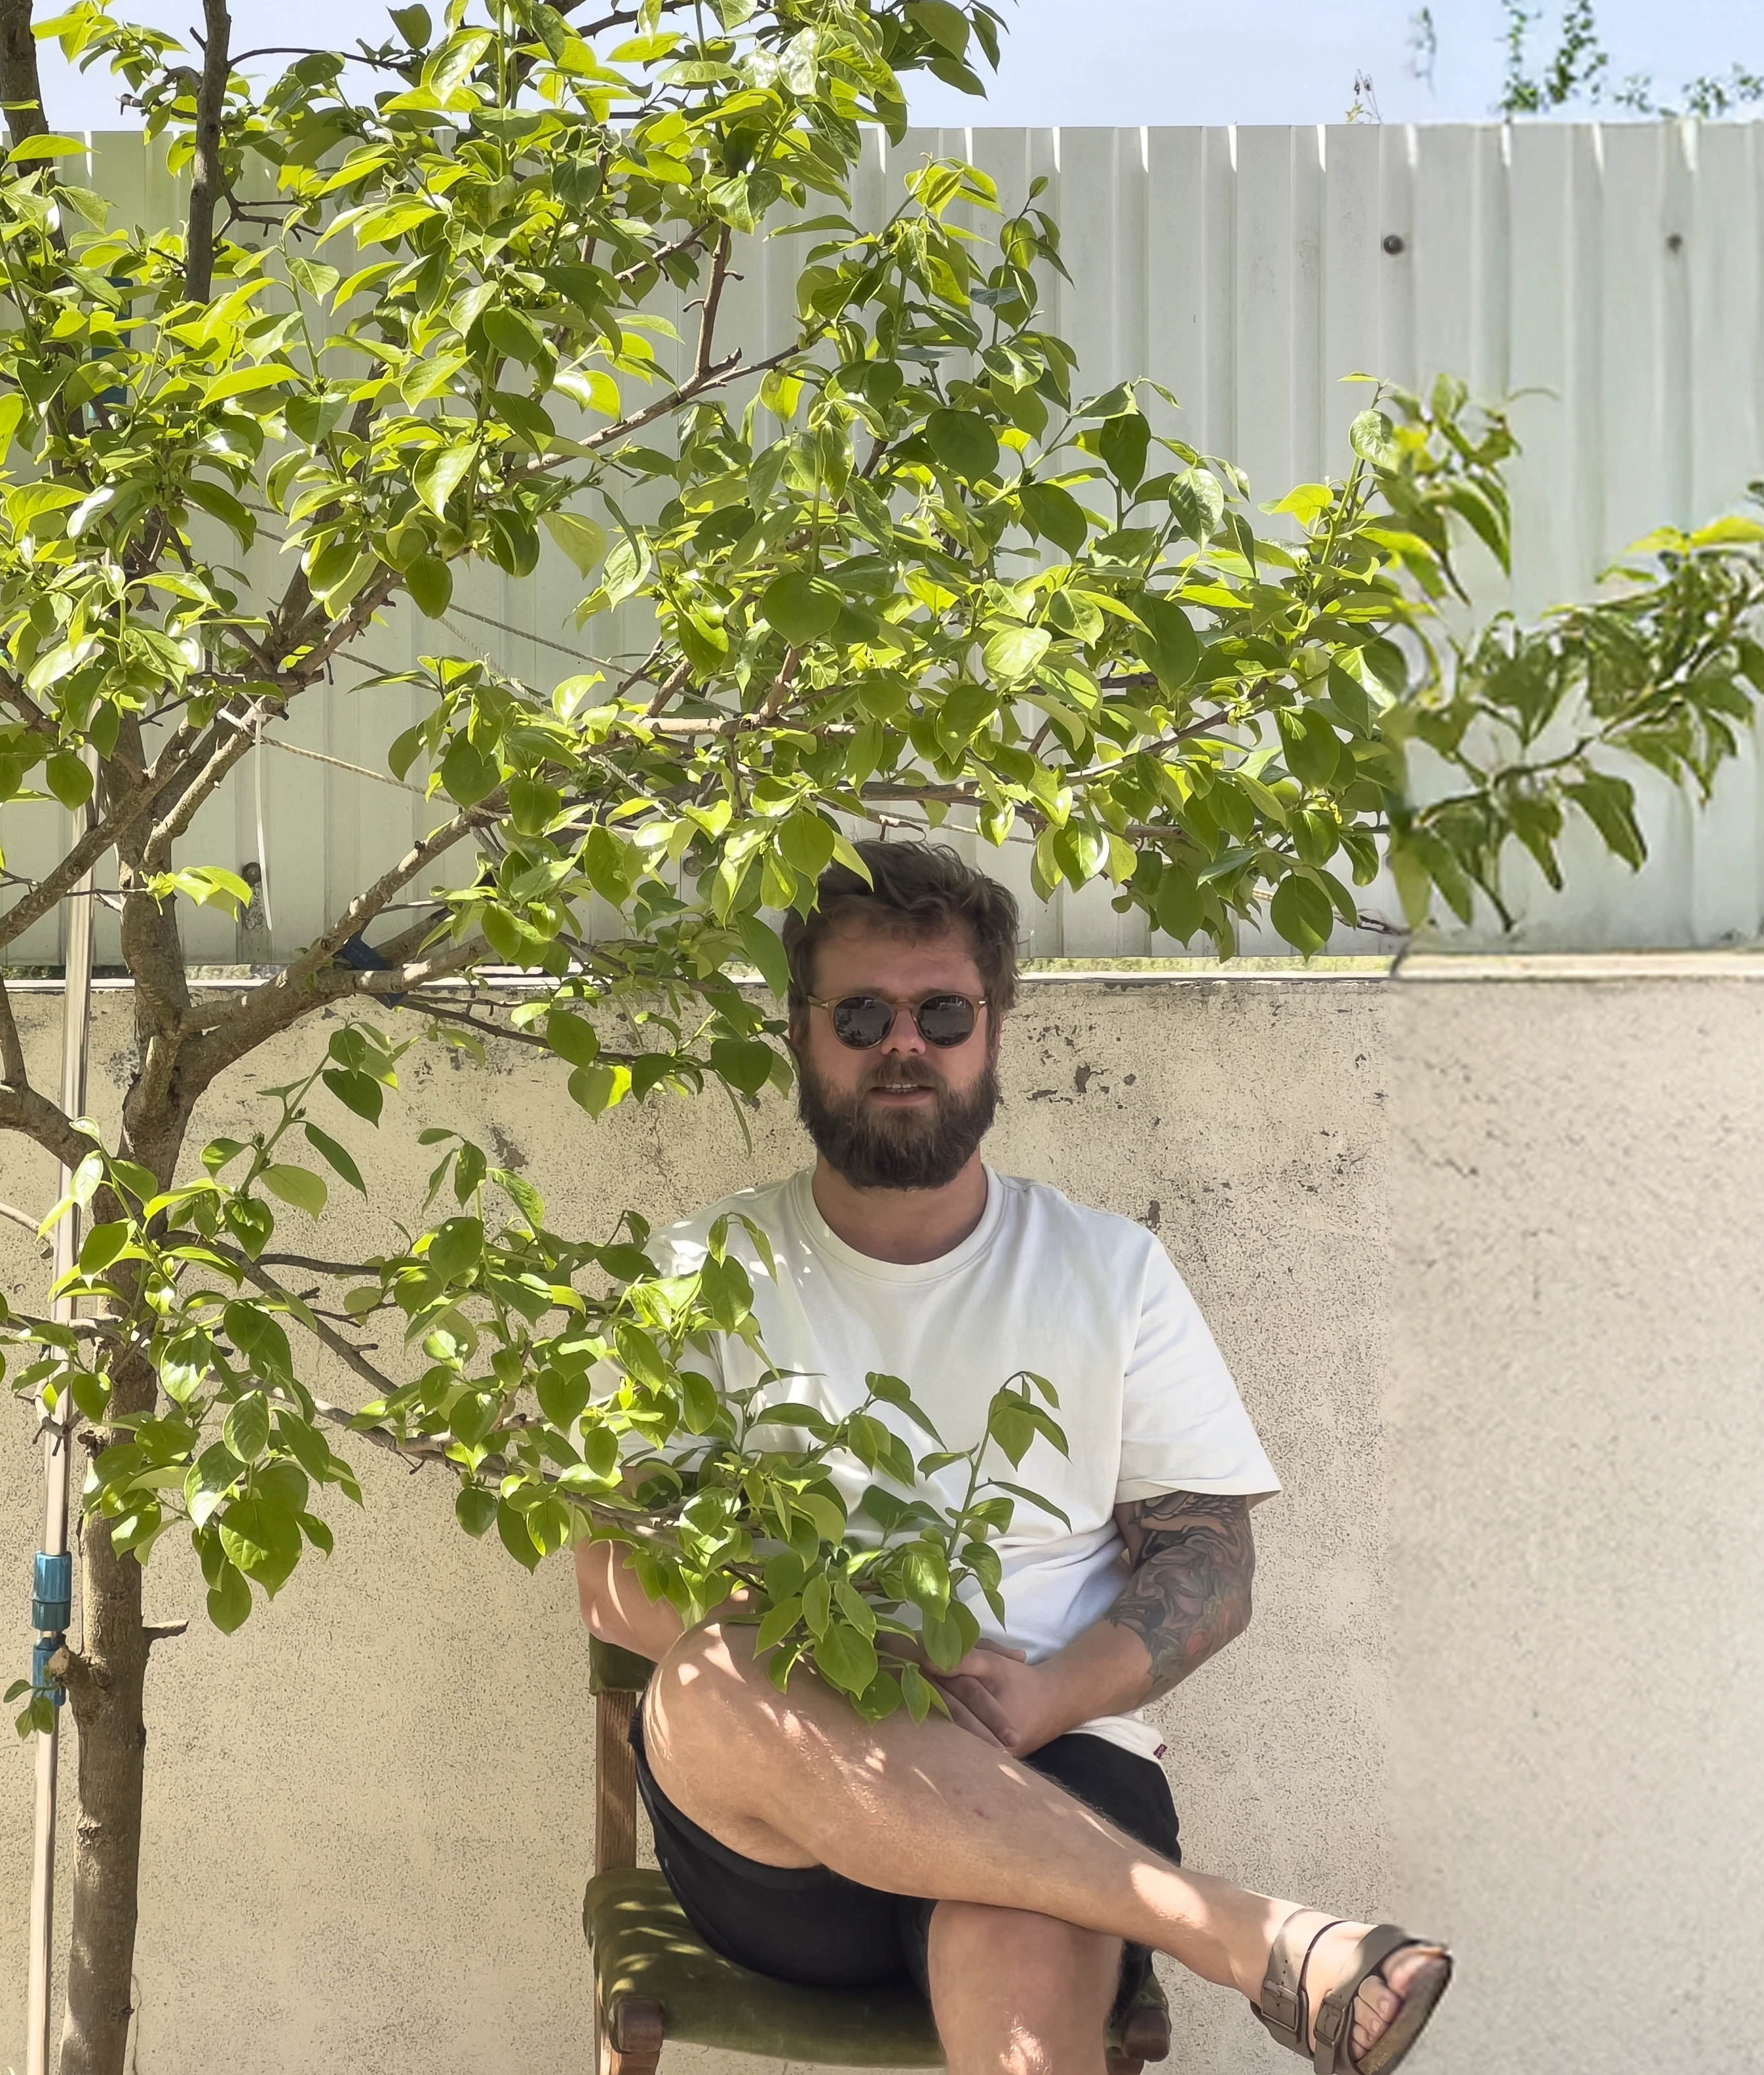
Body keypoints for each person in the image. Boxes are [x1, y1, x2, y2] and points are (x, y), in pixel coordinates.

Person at [573, 840, 1452, 2075]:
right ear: (800, 1031)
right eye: (864, 1012)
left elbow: (1212, 1560)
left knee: (1027, 2003)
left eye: (941, 1010)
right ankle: (1251, 1935)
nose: (904, 1042)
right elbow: (613, 1566)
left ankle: (1210, 1921)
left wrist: (1037, 1698)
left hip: (1056, 1762)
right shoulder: (696, 1276)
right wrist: (845, 1654)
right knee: (710, 1684)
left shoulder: (1109, 1271)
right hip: (784, 1837)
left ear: (992, 1026)